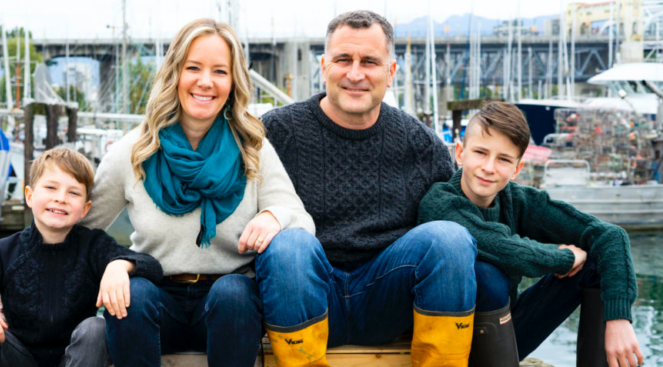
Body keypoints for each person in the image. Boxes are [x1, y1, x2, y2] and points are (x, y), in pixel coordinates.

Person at [79, 18, 315, 367]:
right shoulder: (133, 151)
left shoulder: (253, 147)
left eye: (220, 71)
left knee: (233, 291)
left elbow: (300, 219)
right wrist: (114, 262)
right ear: (175, 73)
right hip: (155, 302)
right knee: (134, 294)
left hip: (230, 308)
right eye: (193, 68)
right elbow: (83, 231)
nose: (205, 82)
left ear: (233, 81)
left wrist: (272, 215)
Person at [257, 10, 478, 367]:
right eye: (344, 59)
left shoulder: (421, 144)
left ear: (390, 73)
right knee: (290, 243)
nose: (355, 73)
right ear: (324, 66)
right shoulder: (276, 132)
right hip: (304, 291)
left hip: (388, 296)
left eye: (370, 62)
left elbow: (466, 217)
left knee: (450, 238)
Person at [418, 101, 642, 367]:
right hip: (445, 345)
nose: (489, 167)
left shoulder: (517, 200)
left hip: (503, 336)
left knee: (593, 265)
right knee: (488, 274)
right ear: (460, 153)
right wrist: (563, 258)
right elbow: (501, 246)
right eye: (480, 152)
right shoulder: (439, 203)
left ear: (517, 169)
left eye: (503, 159)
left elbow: (610, 235)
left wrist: (618, 319)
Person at [0, 147, 163, 367]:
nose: (61, 198)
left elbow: (153, 267)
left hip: (75, 358)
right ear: (30, 196)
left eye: (73, 193)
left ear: (85, 208)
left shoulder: (94, 246)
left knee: (96, 328)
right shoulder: (2, 252)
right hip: (15, 357)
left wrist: (119, 265)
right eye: (51, 188)